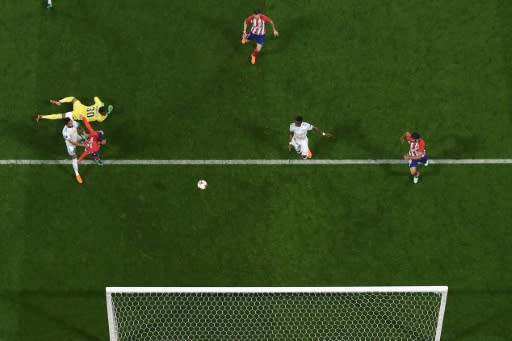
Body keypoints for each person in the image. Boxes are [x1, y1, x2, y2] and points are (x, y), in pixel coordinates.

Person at [36, 96, 113, 123]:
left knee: (73, 98)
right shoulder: (99, 117)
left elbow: (95, 97)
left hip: (80, 107)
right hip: (77, 115)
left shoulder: (98, 105)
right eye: (104, 112)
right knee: (59, 116)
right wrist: (107, 113)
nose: (105, 113)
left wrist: (101, 103)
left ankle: (59, 101)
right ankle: (41, 116)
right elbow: (102, 118)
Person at [62, 117, 84, 184]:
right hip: (71, 145)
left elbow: (80, 126)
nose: (71, 123)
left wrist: (84, 133)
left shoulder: (73, 122)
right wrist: (83, 145)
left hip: (76, 137)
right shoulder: (65, 132)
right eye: (69, 123)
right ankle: (77, 174)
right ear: (66, 125)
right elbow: (73, 143)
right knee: (74, 156)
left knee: (87, 137)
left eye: (71, 121)